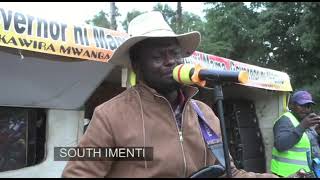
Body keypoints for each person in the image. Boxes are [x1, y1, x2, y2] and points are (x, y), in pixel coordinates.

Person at [62, 11, 277, 178]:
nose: (170, 62)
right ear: (137, 66)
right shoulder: (109, 116)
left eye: (174, 54)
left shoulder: (204, 113)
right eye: (158, 56)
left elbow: (230, 173)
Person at [271, 90, 320, 177]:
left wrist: (318, 134)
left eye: (308, 106)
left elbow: (312, 147)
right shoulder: (284, 120)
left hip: (303, 174)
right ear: (291, 105)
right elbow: (281, 145)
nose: (306, 109)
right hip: (285, 174)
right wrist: (302, 126)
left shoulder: (305, 122)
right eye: (301, 105)